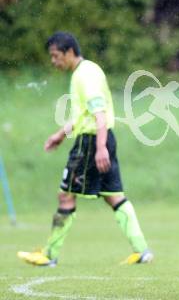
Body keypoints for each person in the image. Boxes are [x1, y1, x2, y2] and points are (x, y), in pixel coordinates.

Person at [17, 32, 153, 267]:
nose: (53, 61)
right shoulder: (90, 69)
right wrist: (61, 134)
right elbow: (85, 115)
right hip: (102, 137)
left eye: (55, 56)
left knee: (65, 194)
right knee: (114, 197)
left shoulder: (84, 76)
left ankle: (49, 254)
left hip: (91, 142)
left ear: (69, 52)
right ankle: (142, 250)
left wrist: (99, 148)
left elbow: (98, 113)